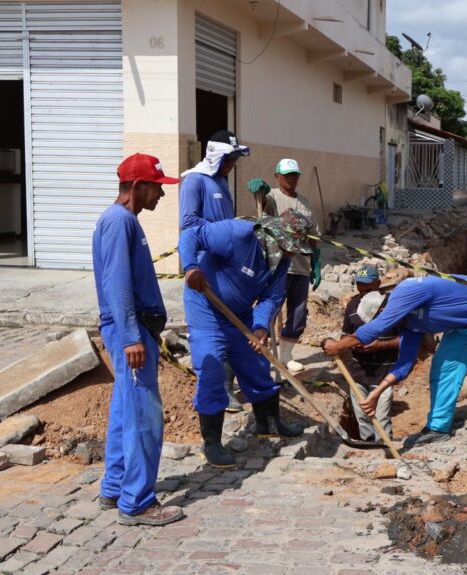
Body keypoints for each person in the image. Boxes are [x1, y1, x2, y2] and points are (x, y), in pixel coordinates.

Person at [322, 275, 467, 458]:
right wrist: (376, 393)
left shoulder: (407, 291)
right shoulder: (409, 323)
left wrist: (336, 346)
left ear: (383, 310)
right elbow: (404, 365)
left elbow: (374, 330)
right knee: (442, 367)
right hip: (464, 324)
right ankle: (438, 428)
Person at [180, 209, 315, 467]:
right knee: (212, 370)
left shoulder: (282, 261)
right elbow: (190, 235)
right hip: (205, 309)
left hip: (240, 312)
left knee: (256, 361)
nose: (290, 253)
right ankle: (212, 443)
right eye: (287, 247)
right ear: (273, 236)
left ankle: (268, 423)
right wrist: (191, 267)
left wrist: (261, 327)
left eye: (293, 249)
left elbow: (272, 297)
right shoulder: (236, 234)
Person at [92, 153, 184, 526]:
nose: (160, 195)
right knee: (145, 415)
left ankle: (114, 487)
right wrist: (131, 336)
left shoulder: (124, 220)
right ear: (135, 187)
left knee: (124, 410)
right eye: (156, 188)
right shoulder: (118, 222)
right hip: (130, 333)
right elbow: (117, 283)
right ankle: (138, 501)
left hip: (134, 330)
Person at [179, 130, 252, 413]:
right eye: (228, 158)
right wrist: (223, 231)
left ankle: (232, 384)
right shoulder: (195, 181)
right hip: (204, 263)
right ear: (215, 156)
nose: (231, 164)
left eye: (234, 159)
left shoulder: (221, 180)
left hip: (226, 263)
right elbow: (188, 222)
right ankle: (220, 391)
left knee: (232, 323)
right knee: (212, 329)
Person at [260, 159, 322, 373]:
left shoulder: (305, 203)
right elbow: (262, 209)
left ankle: (286, 354)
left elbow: (313, 234)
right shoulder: (272, 198)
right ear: (277, 176)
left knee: (298, 312)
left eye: (294, 174)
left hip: (301, 266)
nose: (291, 179)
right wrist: (258, 192)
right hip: (277, 265)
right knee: (270, 308)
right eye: (286, 175)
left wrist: (316, 261)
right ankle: (263, 352)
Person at [340, 265, 399, 441]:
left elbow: (406, 339)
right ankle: (367, 448)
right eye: (360, 286)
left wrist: (380, 345)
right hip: (358, 373)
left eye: (368, 287)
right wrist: (350, 344)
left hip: (384, 373)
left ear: (378, 284)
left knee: (381, 418)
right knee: (362, 418)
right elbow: (345, 334)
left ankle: (385, 448)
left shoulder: (392, 305)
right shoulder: (352, 305)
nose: (364, 291)